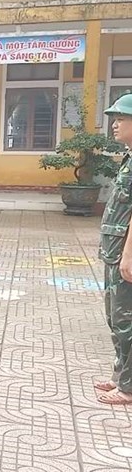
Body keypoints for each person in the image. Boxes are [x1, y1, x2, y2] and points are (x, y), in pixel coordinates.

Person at [97, 93, 132, 405]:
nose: (115, 125)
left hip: (125, 253)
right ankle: (120, 375)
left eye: (121, 118)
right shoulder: (129, 158)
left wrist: (129, 254)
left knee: (126, 319)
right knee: (115, 316)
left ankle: (129, 388)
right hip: (114, 251)